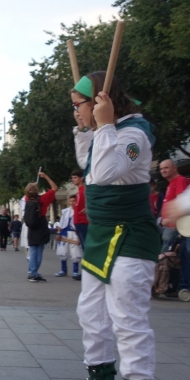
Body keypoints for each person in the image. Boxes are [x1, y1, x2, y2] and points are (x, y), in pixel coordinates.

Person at [71, 71, 161, 379]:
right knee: (91, 315)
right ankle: (99, 373)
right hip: (101, 235)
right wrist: (87, 130)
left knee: (128, 321)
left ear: (98, 102)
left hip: (130, 237)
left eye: (78, 105)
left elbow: (106, 172)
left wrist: (105, 124)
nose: (76, 111)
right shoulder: (104, 133)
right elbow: (90, 166)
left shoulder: (133, 133)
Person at [158, 160, 190, 298]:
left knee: (168, 257)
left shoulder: (180, 180)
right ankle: (167, 285)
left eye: (166, 168)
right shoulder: (171, 183)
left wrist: (171, 219)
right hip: (169, 226)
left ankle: (165, 286)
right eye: (161, 169)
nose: (163, 171)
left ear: (175, 168)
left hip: (175, 227)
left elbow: (182, 203)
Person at [24, 172, 57, 283]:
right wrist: (45, 176)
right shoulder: (43, 200)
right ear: (37, 191)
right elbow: (54, 188)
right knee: (39, 252)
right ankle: (33, 272)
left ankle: (32, 272)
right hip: (41, 226)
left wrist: (32, 186)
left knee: (33, 251)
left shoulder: (27, 200)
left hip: (31, 228)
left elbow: (29, 192)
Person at [55, 195, 83, 280]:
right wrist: (58, 233)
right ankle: (63, 270)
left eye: (74, 201)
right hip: (64, 233)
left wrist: (80, 237)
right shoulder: (65, 211)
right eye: (70, 201)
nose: (72, 203)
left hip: (74, 234)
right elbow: (61, 223)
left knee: (75, 253)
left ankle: (75, 272)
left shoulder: (80, 211)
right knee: (63, 252)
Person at [71, 170, 89, 255]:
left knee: (86, 246)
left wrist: (87, 208)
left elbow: (92, 200)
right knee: (83, 246)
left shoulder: (84, 190)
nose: (73, 180)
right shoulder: (78, 192)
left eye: (75, 178)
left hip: (83, 222)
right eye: (72, 178)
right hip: (78, 222)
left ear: (81, 178)